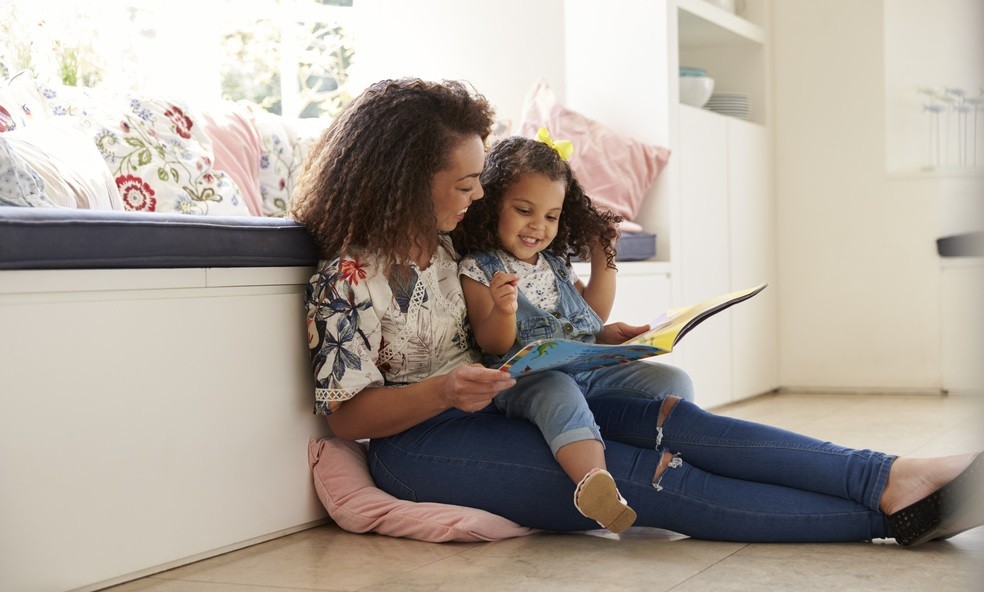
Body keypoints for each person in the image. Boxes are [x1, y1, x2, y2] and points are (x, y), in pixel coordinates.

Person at [290, 77, 983, 546]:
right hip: (426, 446)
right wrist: (442, 389)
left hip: (505, 398)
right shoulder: (344, 279)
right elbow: (347, 414)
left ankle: (891, 476)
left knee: (681, 423)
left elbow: (525, 296)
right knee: (646, 477)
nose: (477, 196)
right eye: (465, 183)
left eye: (480, 181)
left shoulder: (452, 249)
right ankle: (886, 517)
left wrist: (594, 341)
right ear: (408, 182)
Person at [454, 131, 685, 534]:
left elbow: (590, 316)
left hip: (586, 368)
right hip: (525, 380)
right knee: (558, 391)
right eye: (524, 210)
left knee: (672, 379)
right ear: (492, 206)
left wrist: (605, 266)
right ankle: (595, 484)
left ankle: (664, 453)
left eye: (551, 216)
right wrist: (505, 309)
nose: (537, 227)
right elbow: (492, 344)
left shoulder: (554, 264)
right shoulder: (480, 267)